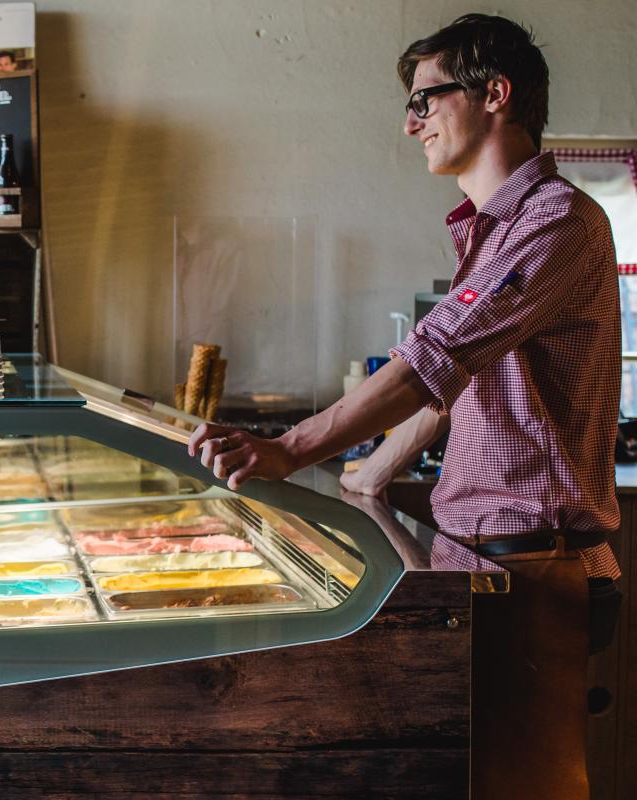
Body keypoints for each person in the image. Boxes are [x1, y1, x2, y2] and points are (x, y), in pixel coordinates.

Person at [188, 14, 619, 800]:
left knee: (529, 786)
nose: (410, 121)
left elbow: (433, 358)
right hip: (487, 555)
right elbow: (462, 381)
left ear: (495, 93)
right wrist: (370, 472)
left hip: (533, 561)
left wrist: (292, 448)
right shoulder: (494, 234)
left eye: (426, 98)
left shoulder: (556, 221)